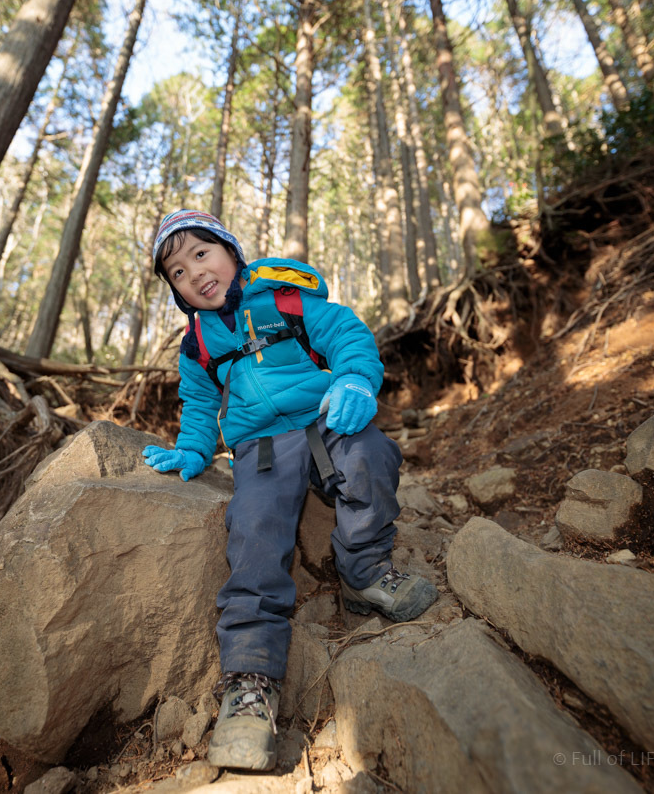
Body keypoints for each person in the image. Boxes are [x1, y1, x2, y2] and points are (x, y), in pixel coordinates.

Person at [142, 209, 438, 771]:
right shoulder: (196, 343)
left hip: (325, 417)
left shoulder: (280, 297)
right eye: (177, 273)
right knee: (253, 529)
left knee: (371, 457)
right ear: (176, 291)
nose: (194, 274)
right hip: (262, 446)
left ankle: (366, 573)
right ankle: (250, 683)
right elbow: (200, 405)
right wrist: (193, 449)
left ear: (230, 250)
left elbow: (345, 331)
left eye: (201, 254)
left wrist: (354, 378)